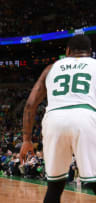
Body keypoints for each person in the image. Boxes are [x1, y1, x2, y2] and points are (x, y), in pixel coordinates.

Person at [20, 35, 96, 203]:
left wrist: (26, 140)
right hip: (85, 117)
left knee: (55, 186)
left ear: (67, 51)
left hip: (53, 120)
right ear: (90, 53)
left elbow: (30, 105)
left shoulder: (51, 68)